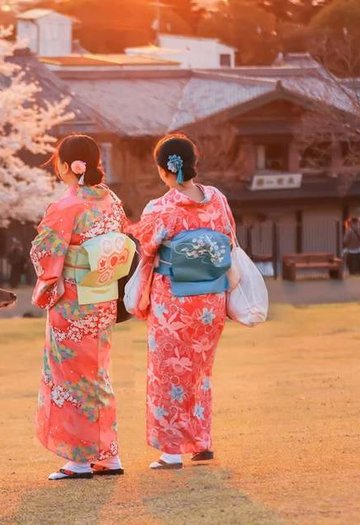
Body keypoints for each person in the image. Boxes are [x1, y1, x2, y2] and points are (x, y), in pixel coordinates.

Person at [124, 133, 236, 470]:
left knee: (168, 374)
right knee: (200, 372)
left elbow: (147, 249)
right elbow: (229, 238)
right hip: (210, 300)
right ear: (193, 162)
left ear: (163, 170)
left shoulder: (161, 207)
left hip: (174, 301)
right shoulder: (217, 199)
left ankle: (171, 451)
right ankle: (201, 442)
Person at [30, 134, 132, 479]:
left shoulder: (67, 205)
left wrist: (48, 281)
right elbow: (121, 240)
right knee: (97, 373)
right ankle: (108, 454)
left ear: (67, 166)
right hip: (102, 296)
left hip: (73, 302)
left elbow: (46, 252)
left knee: (72, 376)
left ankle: (79, 458)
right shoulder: (111, 201)